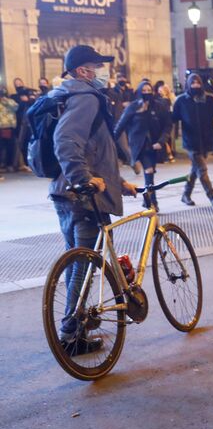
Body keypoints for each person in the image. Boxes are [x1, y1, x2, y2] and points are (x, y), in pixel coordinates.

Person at [44, 45, 137, 354]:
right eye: (98, 66)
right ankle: (70, 335)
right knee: (82, 266)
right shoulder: (85, 97)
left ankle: (75, 331)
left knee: (77, 264)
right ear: (83, 71)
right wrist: (83, 180)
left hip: (66, 193)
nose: (103, 72)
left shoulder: (69, 95)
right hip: (82, 197)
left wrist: (116, 181)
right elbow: (66, 141)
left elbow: (93, 149)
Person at [172, 73, 213, 209]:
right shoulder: (182, 101)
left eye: (198, 83)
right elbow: (173, 118)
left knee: (195, 170)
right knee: (202, 170)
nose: (195, 86)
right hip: (191, 141)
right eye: (193, 84)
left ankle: (186, 194)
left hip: (206, 140)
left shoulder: (209, 99)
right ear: (188, 85)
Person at [113, 81, 172, 211]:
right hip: (139, 145)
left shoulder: (158, 107)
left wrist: (162, 141)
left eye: (148, 90)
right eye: (143, 90)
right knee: (149, 170)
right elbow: (121, 125)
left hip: (154, 145)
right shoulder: (133, 107)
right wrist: (111, 141)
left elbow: (168, 125)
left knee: (149, 173)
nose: (146, 93)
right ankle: (153, 202)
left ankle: (148, 201)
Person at [0, 89, 17, 172]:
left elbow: (16, 108)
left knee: (10, 147)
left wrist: (6, 102)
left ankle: (9, 164)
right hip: (0, 127)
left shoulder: (10, 101)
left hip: (9, 127)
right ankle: (1, 165)